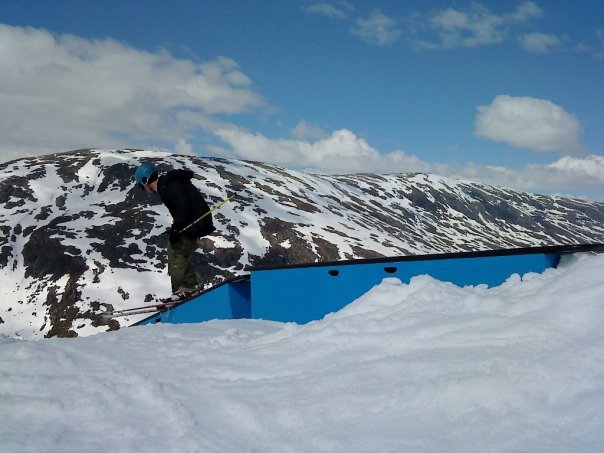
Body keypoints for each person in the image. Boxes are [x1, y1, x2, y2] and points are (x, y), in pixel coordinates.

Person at [134, 162, 215, 300]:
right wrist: (176, 228)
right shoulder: (168, 184)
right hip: (196, 223)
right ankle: (186, 288)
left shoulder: (168, 185)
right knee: (177, 249)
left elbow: (183, 207)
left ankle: (186, 289)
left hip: (194, 223)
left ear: (145, 180)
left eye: (141, 186)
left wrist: (177, 228)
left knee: (176, 250)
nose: (144, 190)